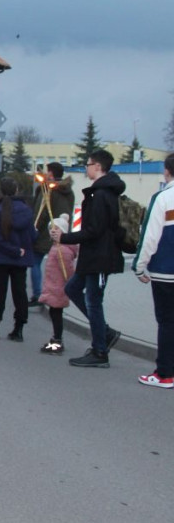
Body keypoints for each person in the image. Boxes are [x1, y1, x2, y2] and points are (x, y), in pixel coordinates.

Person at [51, 149, 126, 368]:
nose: (86, 167)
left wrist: (64, 237)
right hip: (92, 256)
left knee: (94, 302)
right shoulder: (100, 192)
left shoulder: (102, 194)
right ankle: (105, 332)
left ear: (98, 167)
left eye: (88, 163)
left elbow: (94, 230)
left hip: (101, 257)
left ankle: (100, 351)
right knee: (72, 289)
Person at [132, 153, 174, 387]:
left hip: (166, 272)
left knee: (167, 322)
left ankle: (165, 374)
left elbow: (150, 237)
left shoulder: (163, 197)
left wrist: (139, 267)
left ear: (167, 171)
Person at [0, 177, 36, 341]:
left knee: (0, 293)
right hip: (21, 257)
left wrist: (11, 250)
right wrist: (20, 250)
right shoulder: (26, 210)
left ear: (1, 191)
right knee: (20, 293)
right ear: (17, 190)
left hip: (2, 257)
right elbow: (32, 236)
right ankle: (18, 329)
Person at [29, 162, 75, 306]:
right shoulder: (68, 191)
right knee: (58, 263)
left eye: (47, 171)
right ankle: (60, 291)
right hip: (61, 231)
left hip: (44, 233)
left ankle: (38, 294)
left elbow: (40, 213)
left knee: (35, 262)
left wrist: (34, 229)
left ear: (51, 174)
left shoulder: (49, 190)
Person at [38, 214, 78, 355]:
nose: (51, 232)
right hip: (53, 286)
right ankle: (55, 339)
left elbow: (68, 271)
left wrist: (69, 282)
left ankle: (57, 342)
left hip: (58, 288)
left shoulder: (62, 250)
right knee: (54, 314)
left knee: (56, 314)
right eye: (50, 229)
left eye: (55, 229)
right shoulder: (57, 247)